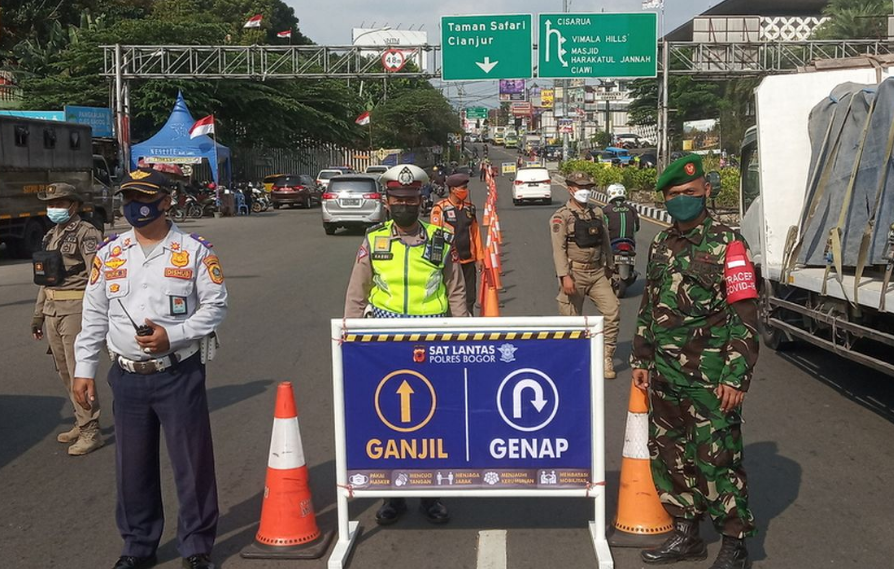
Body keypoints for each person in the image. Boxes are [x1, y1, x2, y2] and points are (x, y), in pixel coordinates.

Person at [73, 168, 228, 569]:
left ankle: (196, 546)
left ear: (165, 200)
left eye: (143, 197)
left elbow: (215, 306)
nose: (134, 207)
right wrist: (84, 368)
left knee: (191, 464)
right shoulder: (111, 253)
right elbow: (93, 314)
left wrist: (173, 335)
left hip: (178, 372)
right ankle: (138, 546)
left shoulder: (194, 250)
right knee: (132, 467)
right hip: (126, 376)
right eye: (128, 198)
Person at [631, 154, 758, 569]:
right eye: (674, 195)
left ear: (705, 189)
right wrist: (642, 358)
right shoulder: (662, 243)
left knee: (718, 458)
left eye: (690, 192)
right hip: (665, 375)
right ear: (664, 199)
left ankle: (734, 544)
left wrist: (736, 378)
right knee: (670, 455)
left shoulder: (729, 244)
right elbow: (650, 305)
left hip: (710, 377)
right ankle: (687, 534)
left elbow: (745, 316)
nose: (683, 199)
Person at [344, 164, 469, 526]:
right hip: (384, 343)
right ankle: (393, 494)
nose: (404, 205)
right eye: (397, 199)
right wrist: (349, 338)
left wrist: (462, 337)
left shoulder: (440, 240)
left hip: (432, 340)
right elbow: (358, 292)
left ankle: (431, 494)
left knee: (433, 420)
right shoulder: (373, 240)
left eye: (410, 199)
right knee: (388, 420)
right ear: (387, 202)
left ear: (420, 200)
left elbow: (456, 291)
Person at [30, 182, 105, 455]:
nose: (54, 208)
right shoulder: (51, 235)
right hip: (52, 308)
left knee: (78, 371)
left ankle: (90, 430)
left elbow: (97, 277)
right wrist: (37, 316)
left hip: (76, 308)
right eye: (51, 203)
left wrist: (98, 314)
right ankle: (80, 418)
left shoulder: (87, 233)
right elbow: (45, 280)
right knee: (63, 370)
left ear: (73, 205)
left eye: (60, 203)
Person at [550, 171, 620, 379]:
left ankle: (606, 356)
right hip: (575, 273)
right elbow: (558, 249)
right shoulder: (561, 217)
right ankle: (574, 359)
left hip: (597, 272)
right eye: (581, 188)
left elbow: (606, 241)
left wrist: (610, 265)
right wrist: (564, 276)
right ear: (571, 189)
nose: (585, 191)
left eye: (588, 188)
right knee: (572, 320)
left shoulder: (597, 213)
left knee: (612, 310)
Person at [430, 173, 485, 315]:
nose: (465, 191)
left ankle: (468, 323)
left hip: (468, 261)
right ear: (453, 189)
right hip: (450, 263)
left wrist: (480, 258)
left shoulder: (469, 209)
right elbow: (435, 236)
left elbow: (475, 233)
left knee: (469, 297)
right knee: (451, 296)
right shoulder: (440, 209)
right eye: (463, 188)